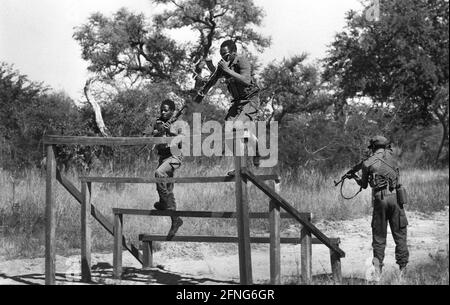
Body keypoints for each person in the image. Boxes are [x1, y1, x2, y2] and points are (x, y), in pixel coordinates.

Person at [195, 39, 261, 174]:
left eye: (225, 54)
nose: (223, 57)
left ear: (233, 53)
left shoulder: (242, 61)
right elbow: (212, 80)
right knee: (230, 128)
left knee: (237, 126)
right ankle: (251, 154)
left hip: (250, 100)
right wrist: (201, 95)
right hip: (237, 102)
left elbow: (246, 80)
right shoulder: (223, 65)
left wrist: (227, 70)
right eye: (221, 55)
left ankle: (246, 162)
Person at [353, 135, 409, 280]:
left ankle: (377, 273)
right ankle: (403, 272)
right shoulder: (393, 157)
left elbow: (364, 185)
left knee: (378, 238)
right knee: (400, 235)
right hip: (396, 198)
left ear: (372, 147)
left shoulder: (368, 162)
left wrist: (354, 177)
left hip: (380, 199)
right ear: (386, 146)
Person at [146, 99, 183, 241]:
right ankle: (175, 220)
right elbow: (151, 134)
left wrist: (170, 131)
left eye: (166, 110)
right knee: (168, 190)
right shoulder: (157, 122)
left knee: (159, 173)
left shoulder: (178, 123)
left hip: (175, 157)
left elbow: (182, 139)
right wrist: (158, 131)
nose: (163, 112)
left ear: (173, 111)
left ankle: (163, 203)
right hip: (163, 158)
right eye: (161, 109)